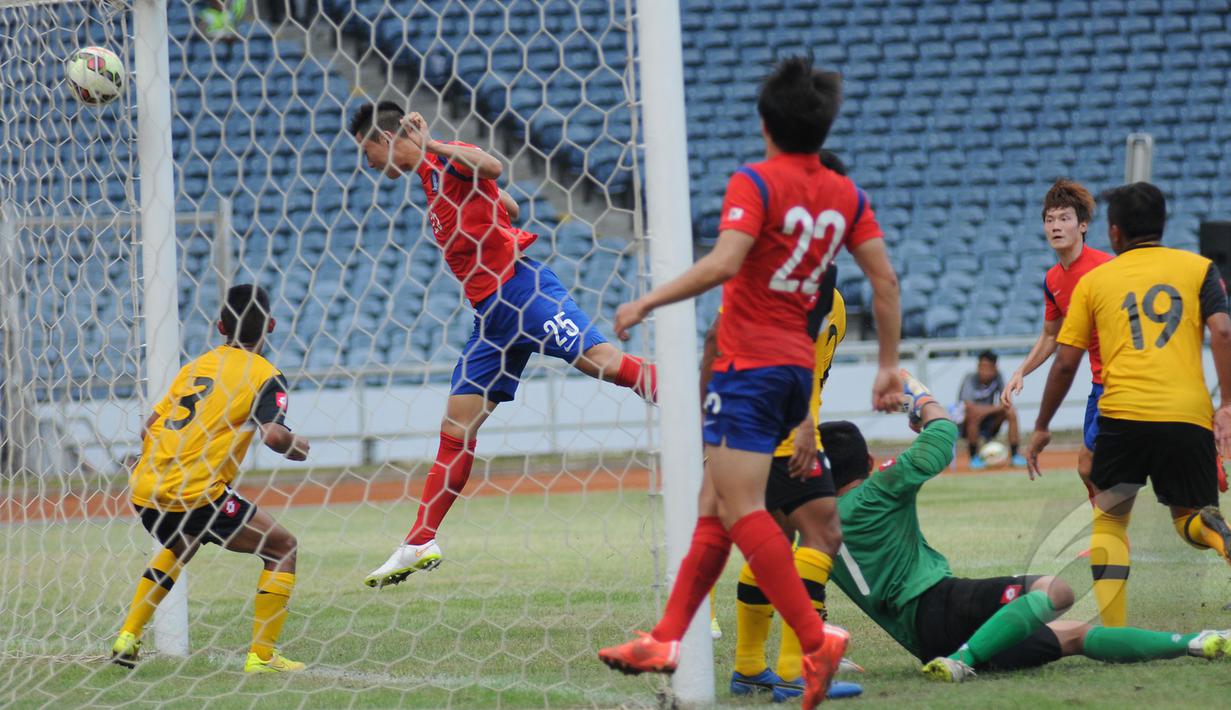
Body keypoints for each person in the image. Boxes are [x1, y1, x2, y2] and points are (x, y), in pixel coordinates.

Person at [596, 57, 902, 710]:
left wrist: (647, 303)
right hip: (792, 368)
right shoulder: (846, 197)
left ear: (764, 124)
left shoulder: (756, 180)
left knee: (742, 509)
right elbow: (884, 280)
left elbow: (725, 260)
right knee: (714, 507)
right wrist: (886, 365)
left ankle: (815, 642)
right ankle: (667, 638)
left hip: (747, 367)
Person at [349, 102, 657, 588]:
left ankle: (686, 405)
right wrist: (489, 211)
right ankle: (419, 540)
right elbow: (508, 205)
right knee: (456, 425)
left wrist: (433, 144)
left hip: (520, 290)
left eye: (369, 153)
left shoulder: (447, 156)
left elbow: (492, 167)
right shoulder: (432, 179)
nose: (369, 165)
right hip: (491, 318)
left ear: (388, 139)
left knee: (600, 363)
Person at [820, 372, 1231, 684]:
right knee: (1056, 591)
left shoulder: (814, 530)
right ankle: (963, 660)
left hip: (922, 640)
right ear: (869, 463)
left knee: (1075, 636)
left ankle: (1197, 641)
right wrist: (920, 395)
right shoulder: (877, 491)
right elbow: (943, 434)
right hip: (938, 605)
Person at [1027, 182, 1231, 628]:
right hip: (1187, 414)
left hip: (1121, 415)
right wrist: (1227, 405)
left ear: (1113, 232)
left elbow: (1065, 362)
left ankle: (1115, 629)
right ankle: (1217, 536)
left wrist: (1041, 425)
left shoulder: (1096, 280)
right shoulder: (1198, 268)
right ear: (1163, 224)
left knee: (1112, 520)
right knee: (1189, 520)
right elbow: (1223, 330)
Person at [722, 150, 874, 703]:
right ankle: (797, 671)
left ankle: (748, 668)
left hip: (750, 422)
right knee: (823, 534)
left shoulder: (796, 269)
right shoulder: (810, 271)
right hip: (780, 424)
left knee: (777, 543)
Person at [109, 285, 311, 673]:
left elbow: (148, 427)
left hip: (146, 486)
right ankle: (262, 657)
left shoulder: (196, 366)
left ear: (220, 326)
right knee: (283, 548)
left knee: (181, 544)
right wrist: (295, 444)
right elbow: (272, 435)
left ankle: (128, 636)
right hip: (197, 491)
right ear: (270, 325)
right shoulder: (266, 374)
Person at [1003, 180, 1112, 502]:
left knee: (1091, 465)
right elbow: (1051, 334)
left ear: (1083, 225)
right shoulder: (1052, 279)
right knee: (1089, 469)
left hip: (1126, 382)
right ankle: (1110, 540)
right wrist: (1021, 370)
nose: (1055, 226)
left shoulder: (1107, 268)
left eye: (1064, 218)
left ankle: (1110, 542)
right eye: (1049, 220)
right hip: (1099, 383)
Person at [957, 350, 1024, 468]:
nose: (985, 372)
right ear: (977, 366)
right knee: (972, 415)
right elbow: (968, 407)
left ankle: (1015, 455)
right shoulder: (969, 378)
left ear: (995, 368)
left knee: (1011, 412)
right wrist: (993, 408)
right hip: (968, 425)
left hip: (990, 421)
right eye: (982, 367)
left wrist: (983, 411)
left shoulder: (998, 377)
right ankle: (974, 458)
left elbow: (1006, 402)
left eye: (989, 368)